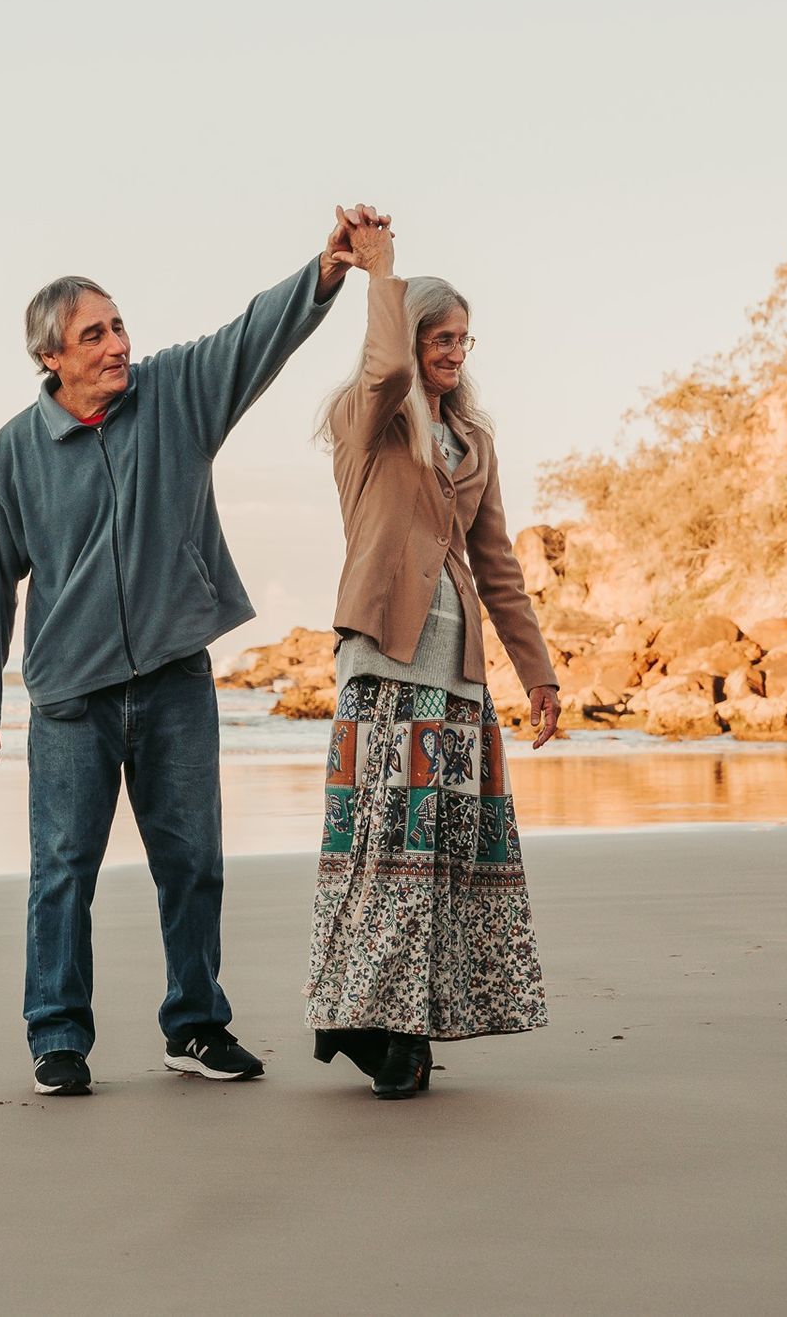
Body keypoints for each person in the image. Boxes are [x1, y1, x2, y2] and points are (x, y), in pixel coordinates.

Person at [0, 205, 387, 1096]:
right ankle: (58, 1034)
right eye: (94, 333)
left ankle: (195, 1024)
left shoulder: (177, 395)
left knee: (193, 860)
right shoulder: (16, 450)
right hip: (71, 695)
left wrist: (328, 270)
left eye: (118, 324)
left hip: (174, 679)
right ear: (53, 357)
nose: (117, 343)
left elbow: (250, 336)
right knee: (61, 871)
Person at [304, 212, 561, 1099]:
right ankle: (370, 1022)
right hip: (383, 662)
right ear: (410, 337)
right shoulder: (367, 421)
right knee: (386, 851)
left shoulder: (474, 442)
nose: (456, 352)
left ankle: (397, 1028)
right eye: (440, 337)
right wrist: (381, 272)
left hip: (457, 679)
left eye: (463, 338)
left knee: (441, 854)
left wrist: (537, 671)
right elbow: (383, 370)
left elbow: (496, 563)